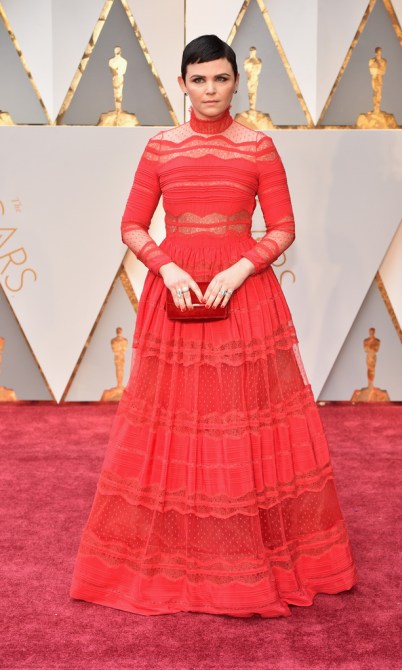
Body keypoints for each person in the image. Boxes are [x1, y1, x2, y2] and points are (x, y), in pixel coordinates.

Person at [70, 35, 358, 618]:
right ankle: (182, 552)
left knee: (239, 418)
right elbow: (131, 226)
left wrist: (241, 267)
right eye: (199, 80)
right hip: (175, 293)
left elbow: (283, 227)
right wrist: (167, 266)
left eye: (220, 79)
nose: (210, 90)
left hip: (243, 296)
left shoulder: (258, 147)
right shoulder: (160, 147)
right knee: (176, 419)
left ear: (236, 82)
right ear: (182, 84)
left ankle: (244, 556)